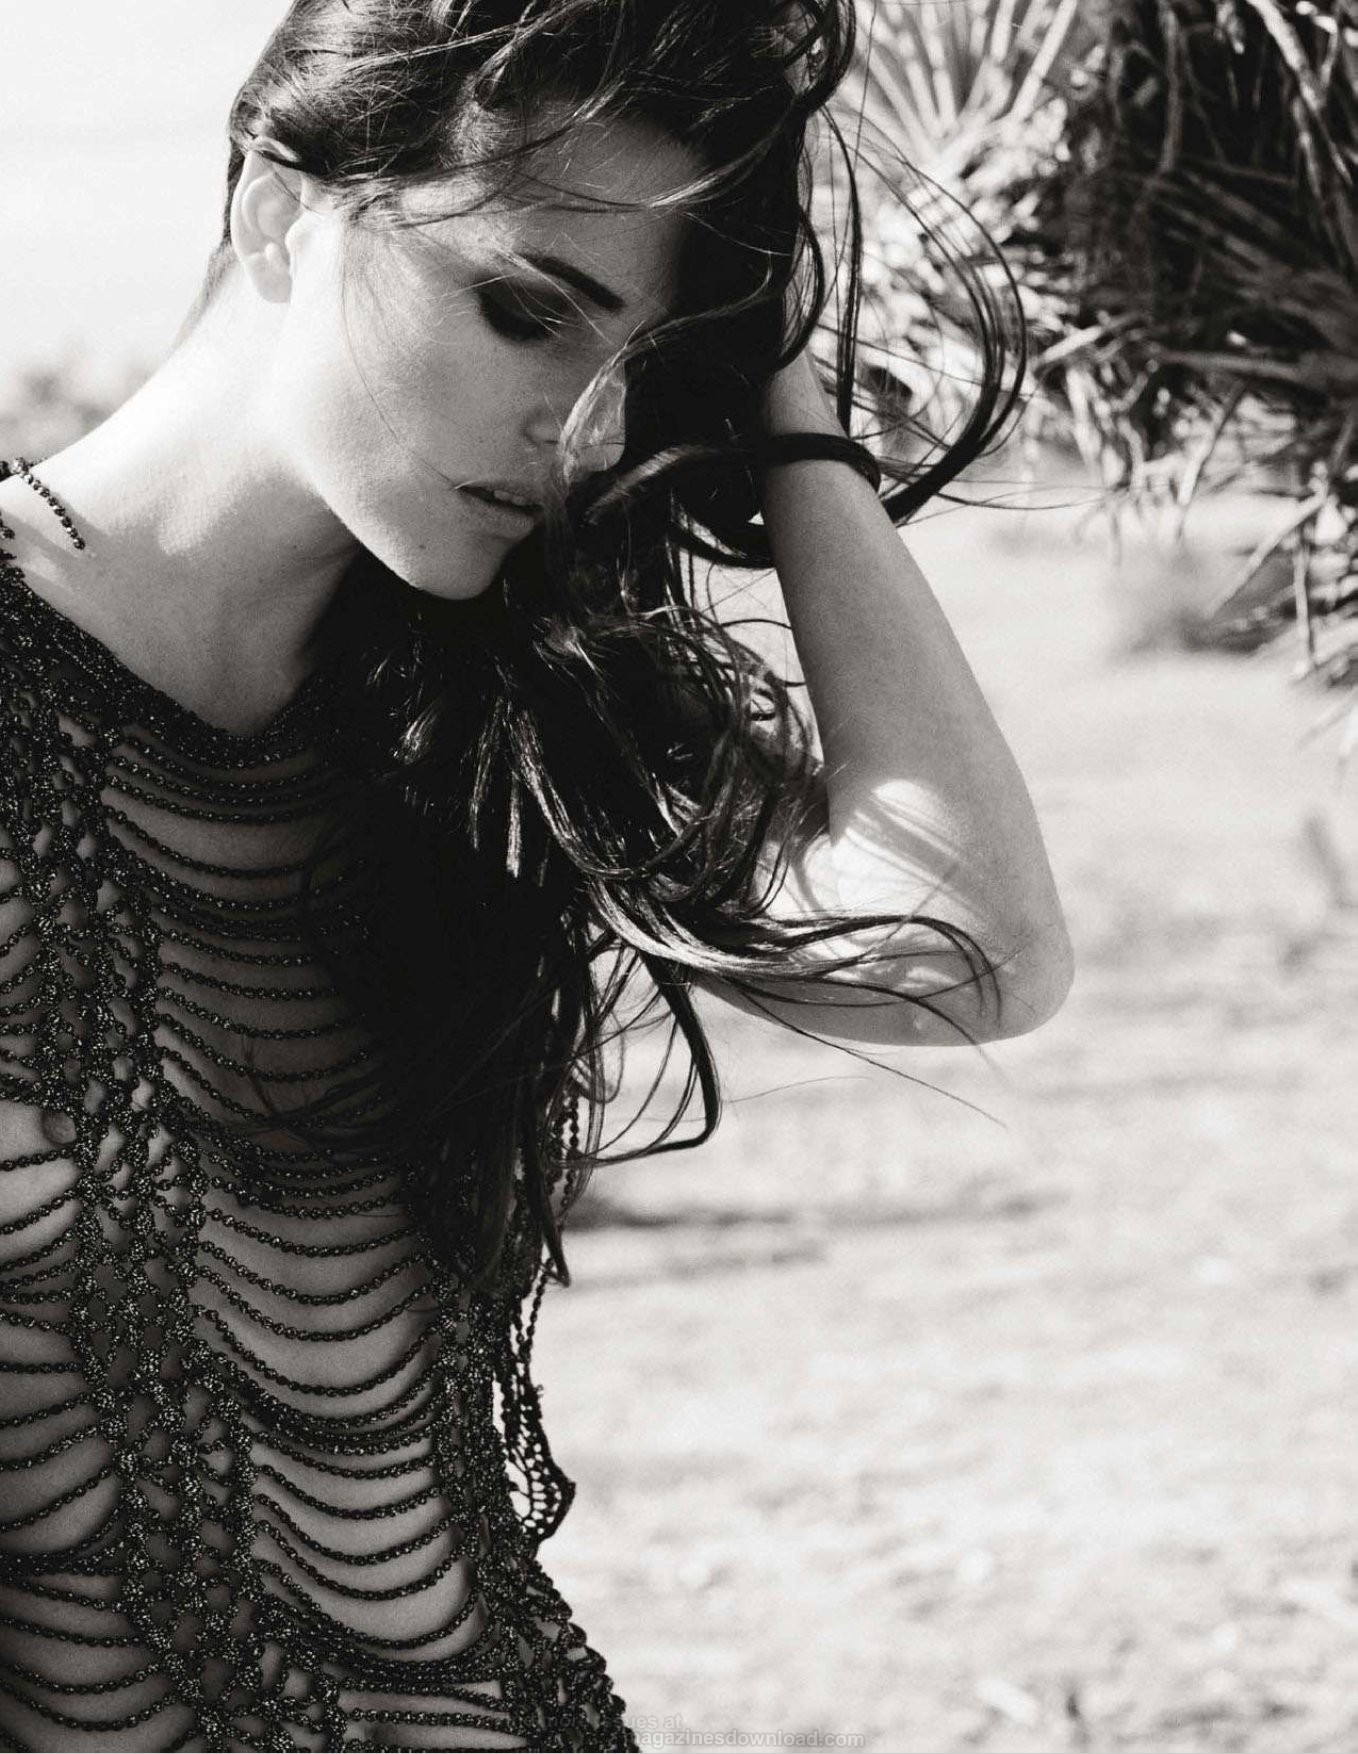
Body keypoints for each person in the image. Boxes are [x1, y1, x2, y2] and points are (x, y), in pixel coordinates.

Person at [0, 1, 1074, 1748]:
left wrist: (779, 406)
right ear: (278, 210)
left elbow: (974, 951)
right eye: (525, 309)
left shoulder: (491, 719)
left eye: (649, 368)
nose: (585, 428)